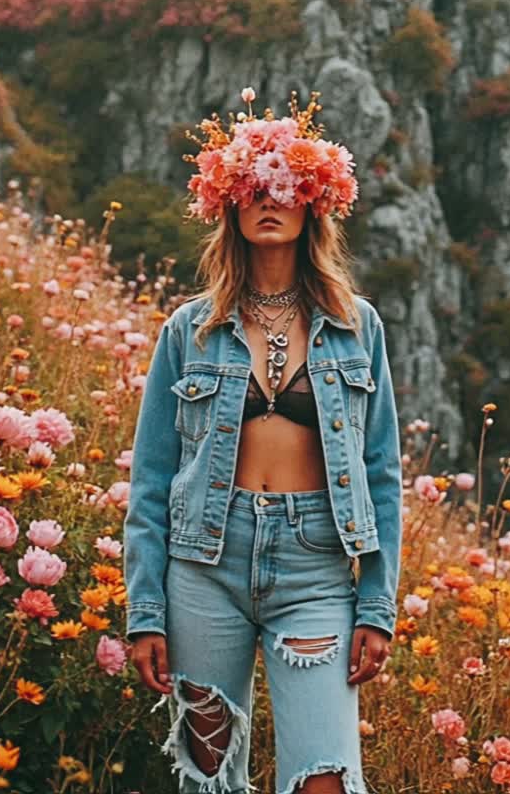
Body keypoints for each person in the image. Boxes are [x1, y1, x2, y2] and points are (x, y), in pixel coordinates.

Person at [123, 87, 403, 794]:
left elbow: (381, 472)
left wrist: (376, 604)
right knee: (210, 777)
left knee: (323, 780)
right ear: (228, 205)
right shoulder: (189, 330)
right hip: (203, 566)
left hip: (315, 567)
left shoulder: (357, 326)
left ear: (313, 201)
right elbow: (152, 479)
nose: (268, 201)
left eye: (285, 187)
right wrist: (144, 610)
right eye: (250, 189)